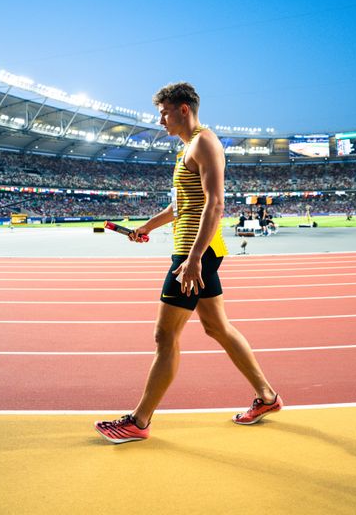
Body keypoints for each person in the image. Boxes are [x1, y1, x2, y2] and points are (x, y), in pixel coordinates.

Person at [94, 82, 282, 444]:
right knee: (217, 328)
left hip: (196, 253)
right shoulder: (185, 152)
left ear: (183, 109)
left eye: (163, 112)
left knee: (165, 335)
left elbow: (215, 204)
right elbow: (181, 207)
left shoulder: (204, 142)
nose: (159, 119)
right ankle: (268, 397)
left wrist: (194, 258)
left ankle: (139, 421)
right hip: (195, 250)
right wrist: (145, 228)